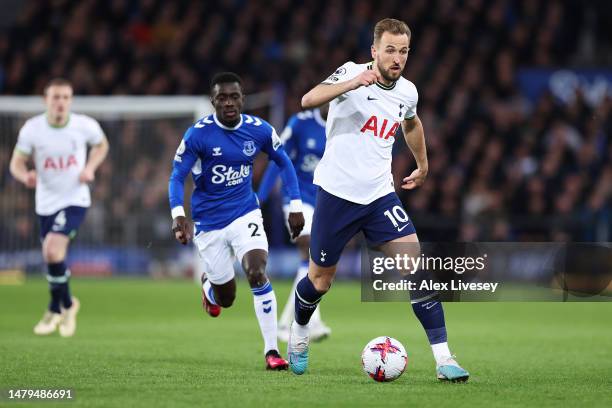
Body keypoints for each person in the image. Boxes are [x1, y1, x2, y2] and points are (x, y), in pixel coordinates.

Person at [287, 18, 470, 381]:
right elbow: (308, 99)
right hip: (336, 196)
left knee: (417, 271)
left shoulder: (408, 92)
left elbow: (412, 123)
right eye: (390, 50)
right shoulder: (351, 73)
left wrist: (423, 163)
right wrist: (352, 82)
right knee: (320, 281)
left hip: (379, 196)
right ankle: (299, 333)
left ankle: (444, 358)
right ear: (374, 51)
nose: (397, 58)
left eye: (403, 51)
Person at [169, 72, 305, 370]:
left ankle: (272, 351)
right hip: (208, 222)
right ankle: (209, 288)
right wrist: (178, 215)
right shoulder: (198, 134)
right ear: (213, 102)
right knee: (226, 298)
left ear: (242, 99)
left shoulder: (259, 130)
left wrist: (295, 205)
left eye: (234, 97)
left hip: (245, 213)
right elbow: (177, 176)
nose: (228, 103)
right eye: (222, 98)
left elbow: (284, 161)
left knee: (256, 272)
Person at [9, 78, 109, 337]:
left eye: (65, 97)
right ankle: (65, 305)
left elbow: (102, 145)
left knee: (52, 250)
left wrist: (89, 168)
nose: (61, 102)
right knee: (52, 256)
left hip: (75, 199)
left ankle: (56, 307)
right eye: (55, 97)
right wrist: (25, 176)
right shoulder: (32, 129)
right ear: (46, 100)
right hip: (45, 202)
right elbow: (16, 163)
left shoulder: (84, 125)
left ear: (71, 100)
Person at [257, 105, 332, 342]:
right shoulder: (299, 123)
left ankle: (295, 322)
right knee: (308, 248)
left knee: (316, 260)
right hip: (297, 199)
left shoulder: (346, 124)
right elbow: (277, 159)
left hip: (326, 201)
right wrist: (261, 198)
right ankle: (303, 322)